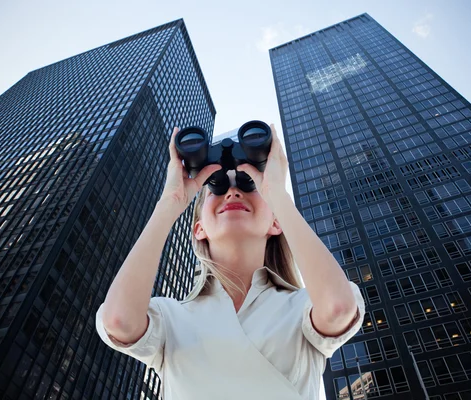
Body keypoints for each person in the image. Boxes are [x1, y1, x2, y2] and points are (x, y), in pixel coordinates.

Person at [96, 123, 365, 400]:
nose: (233, 192)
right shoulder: (170, 318)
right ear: (199, 228)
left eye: (248, 186)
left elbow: (338, 308)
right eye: (217, 188)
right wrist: (170, 202)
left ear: (275, 222)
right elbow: (119, 320)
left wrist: (277, 195)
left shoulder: (302, 309)